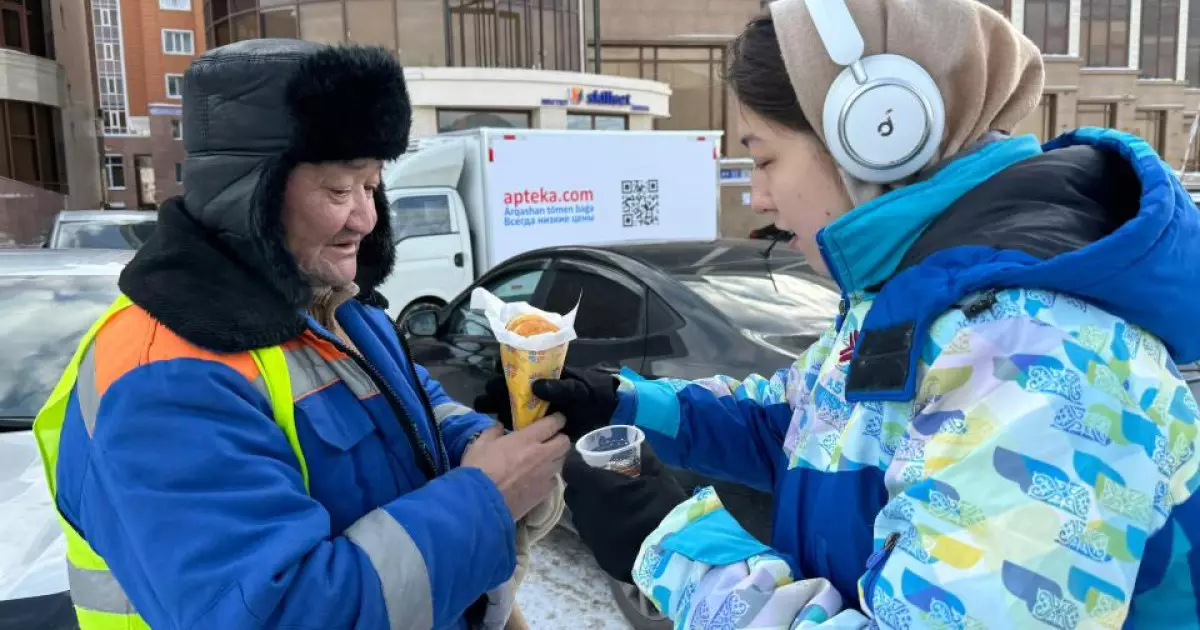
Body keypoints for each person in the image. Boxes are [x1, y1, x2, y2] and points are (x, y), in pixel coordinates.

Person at [478, 0, 1200, 626]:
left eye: (762, 159)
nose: (756, 198)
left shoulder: (1041, 357)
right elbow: (800, 427)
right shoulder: (911, 302)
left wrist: (667, 546)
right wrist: (626, 402)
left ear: (877, 133)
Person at [33, 39, 569, 630]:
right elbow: (279, 613)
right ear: (250, 194)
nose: (366, 218)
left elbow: (414, 410)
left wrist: (482, 439)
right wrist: (487, 499)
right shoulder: (163, 380)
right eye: (341, 190)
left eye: (372, 186)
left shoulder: (341, 312)